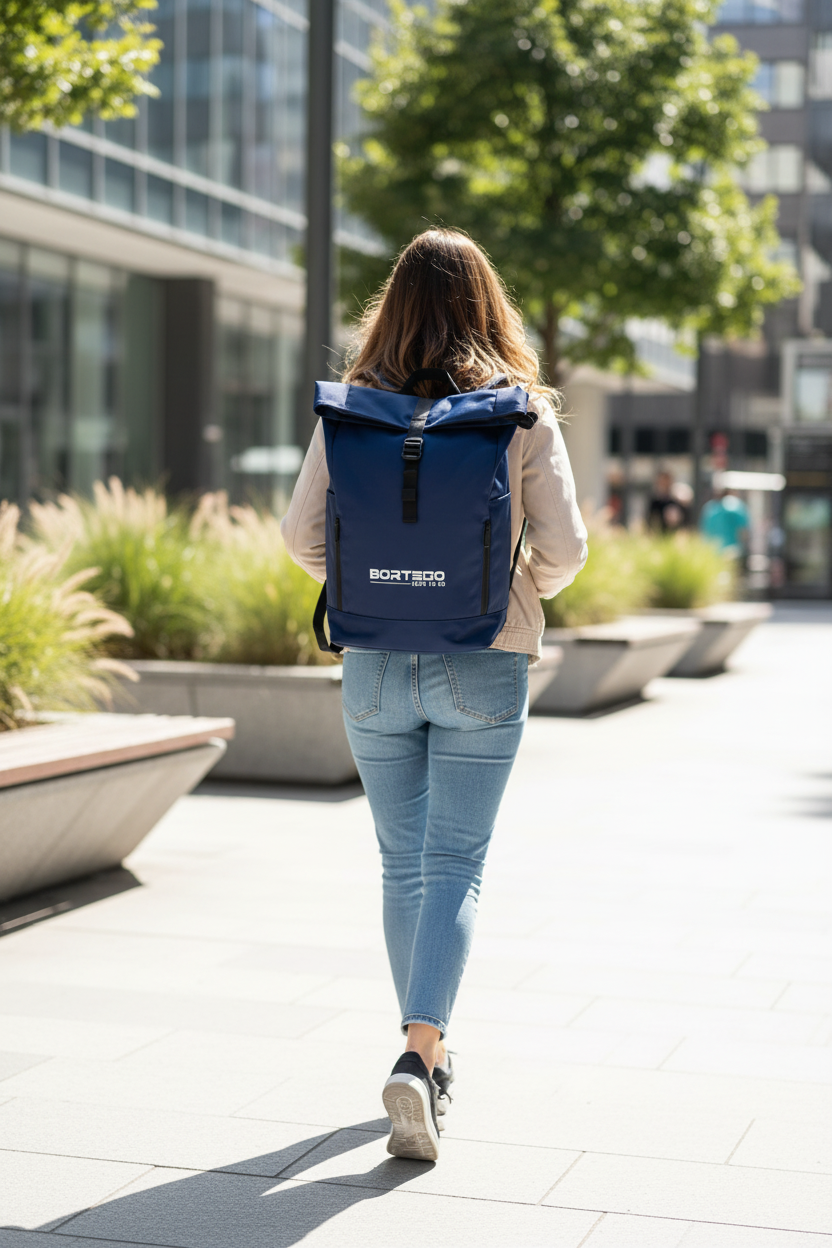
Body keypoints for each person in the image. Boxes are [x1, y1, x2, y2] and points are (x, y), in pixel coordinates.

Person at [281, 229, 587, 1161]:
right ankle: (421, 1055)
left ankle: (424, 1052)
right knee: (455, 861)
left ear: (392, 307)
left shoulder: (353, 408)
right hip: (485, 656)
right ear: (490, 306)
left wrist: (379, 591)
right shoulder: (519, 411)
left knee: (401, 864)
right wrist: (508, 587)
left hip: (373, 659)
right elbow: (566, 549)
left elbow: (301, 538)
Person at [700, 488, 750, 558]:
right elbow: (744, 531)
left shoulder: (709, 508)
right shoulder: (736, 506)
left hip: (712, 550)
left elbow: (703, 531)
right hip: (732, 551)